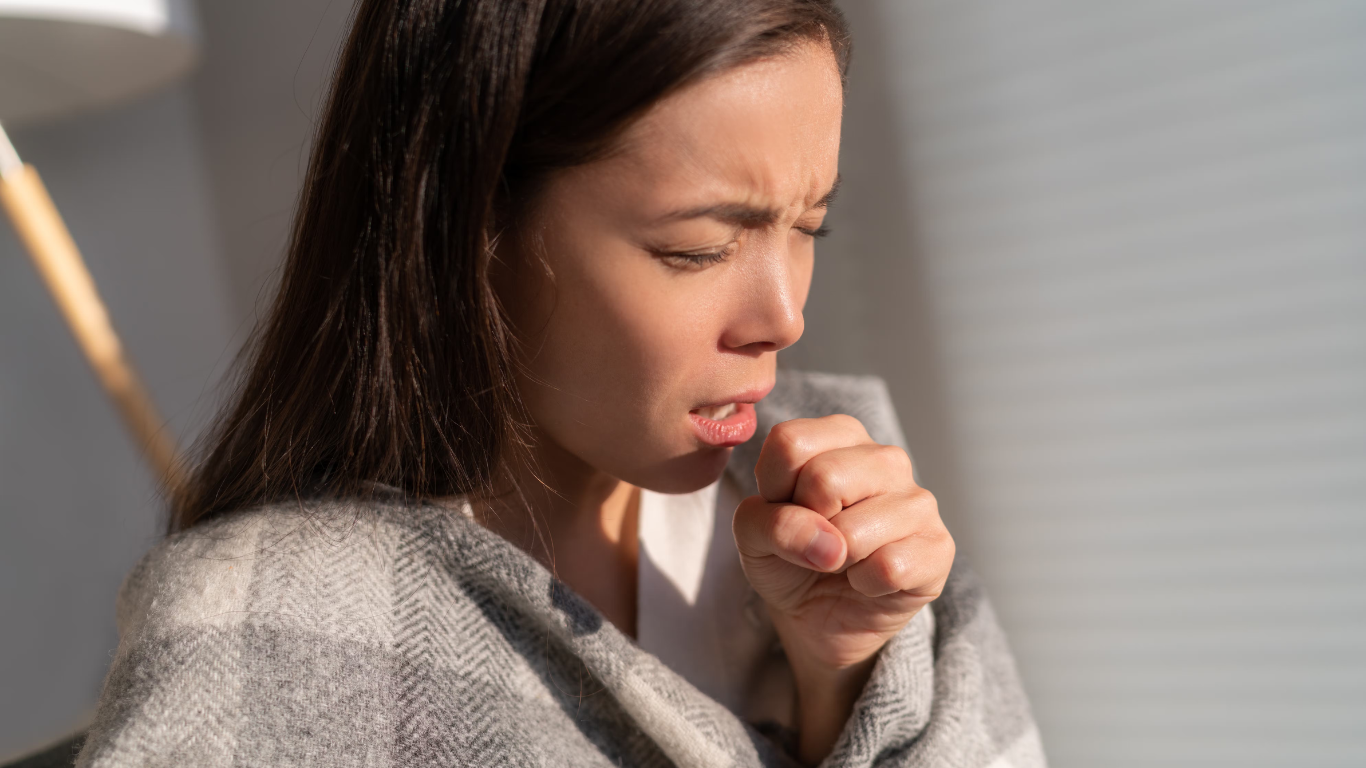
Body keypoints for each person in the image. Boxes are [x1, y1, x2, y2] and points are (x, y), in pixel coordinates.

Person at [74, 1, 1045, 766]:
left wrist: (842, 676)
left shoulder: (852, 514)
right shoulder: (277, 633)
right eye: (697, 247)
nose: (784, 315)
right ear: (468, 229)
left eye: (809, 226)